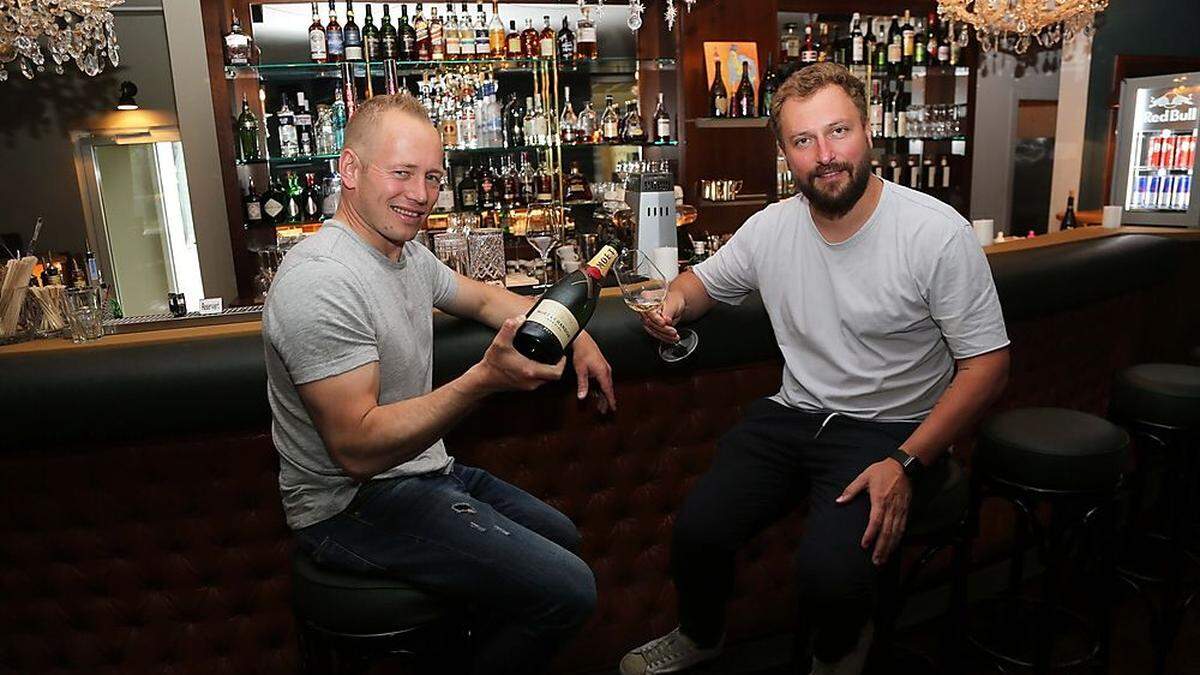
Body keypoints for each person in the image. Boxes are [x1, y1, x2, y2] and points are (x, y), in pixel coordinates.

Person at [619, 62, 1010, 675]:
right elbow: (702, 286)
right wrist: (671, 301)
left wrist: (907, 461)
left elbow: (988, 366)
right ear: (784, 153)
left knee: (828, 573)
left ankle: (840, 651)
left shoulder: (935, 234)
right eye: (804, 141)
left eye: (838, 132)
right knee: (698, 528)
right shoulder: (771, 227)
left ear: (868, 130)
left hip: (891, 428)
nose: (825, 155)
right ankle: (702, 634)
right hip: (796, 414)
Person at [263, 92, 616, 675]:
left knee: (563, 537)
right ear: (349, 170)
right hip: (349, 503)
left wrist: (572, 329)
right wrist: (483, 379)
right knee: (568, 590)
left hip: (421, 471)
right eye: (401, 173)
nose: (421, 195)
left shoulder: (405, 255)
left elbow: (482, 296)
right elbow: (355, 449)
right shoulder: (320, 281)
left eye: (431, 177)